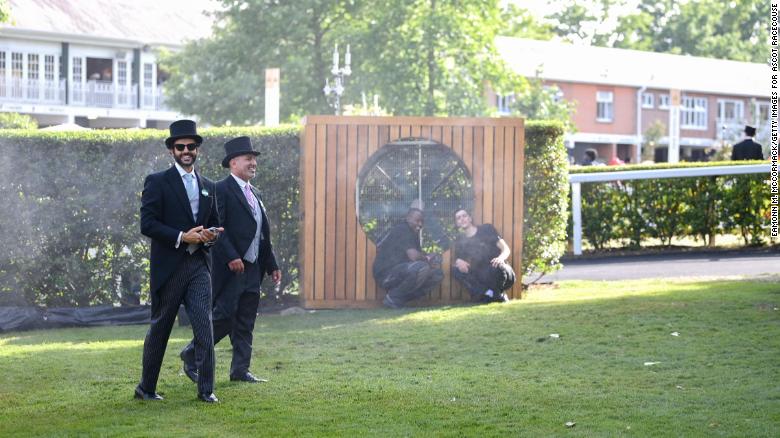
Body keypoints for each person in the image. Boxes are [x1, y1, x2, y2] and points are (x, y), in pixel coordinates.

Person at [180, 136, 281, 384]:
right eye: (248, 159)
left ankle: (240, 371)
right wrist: (232, 256)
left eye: (254, 159)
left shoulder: (254, 192)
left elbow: (261, 232)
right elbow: (216, 226)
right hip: (231, 268)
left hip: (253, 268)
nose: (253, 163)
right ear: (233, 162)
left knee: (245, 320)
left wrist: (272, 264)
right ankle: (191, 355)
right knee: (224, 317)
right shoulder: (219, 189)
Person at [135, 119, 223, 403]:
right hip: (170, 268)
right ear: (171, 150)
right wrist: (182, 236)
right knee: (160, 328)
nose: (186, 150)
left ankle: (206, 390)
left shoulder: (208, 185)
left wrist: (211, 235)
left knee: (204, 327)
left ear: (197, 150)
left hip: (199, 266)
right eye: (180, 146)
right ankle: (146, 388)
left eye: (191, 146)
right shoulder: (157, 182)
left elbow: (216, 225)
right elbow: (147, 224)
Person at [372, 208, 443, 308]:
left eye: (422, 221)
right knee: (421, 267)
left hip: (401, 272)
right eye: (417, 220)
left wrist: (430, 261)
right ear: (408, 218)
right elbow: (414, 256)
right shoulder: (402, 229)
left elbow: (417, 258)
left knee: (437, 274)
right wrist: (427, 258)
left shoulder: (414, 234)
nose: (420, 224)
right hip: (386, 274)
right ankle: (393, 297)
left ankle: (399, 299)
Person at [451, 209, 515, 303]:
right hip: (482, 276)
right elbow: (459, 260)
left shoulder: (486, 229)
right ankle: (489, 294)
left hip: (501, 271)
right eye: (458, 218)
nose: (462, 219)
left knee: (496, 266)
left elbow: (506, 249)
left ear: (470, 218)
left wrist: (500, 259)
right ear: (457, 223)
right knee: (456, 270)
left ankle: (496, 294)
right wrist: (459, 261)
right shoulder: (460, 241)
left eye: (464, 216)